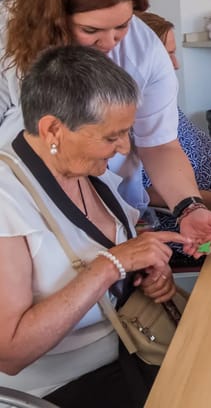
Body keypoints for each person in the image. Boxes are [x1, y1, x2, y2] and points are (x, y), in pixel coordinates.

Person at [0, 0, 211, 250]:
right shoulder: (9, 44)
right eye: (92, 31)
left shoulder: (144, 49)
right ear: (53, 21)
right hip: (27, 210)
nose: (110, 42)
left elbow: (159, 144)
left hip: (112, 211)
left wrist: (189, 207)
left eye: (122, 26)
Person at [0, 45, 190, 406]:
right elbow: (10, 353)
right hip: (64, 386)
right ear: (53, 129)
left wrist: (148, 269)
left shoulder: (86, 171)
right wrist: (111, 266)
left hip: (132, 348)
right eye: (110, 137)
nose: (122, 149)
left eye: (126, 133)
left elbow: (117, 246)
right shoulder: (6, 199)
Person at [137, 11, 211, 216]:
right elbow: (147, 193)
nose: (176, 64)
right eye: (168, 55)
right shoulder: (129, 119)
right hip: (201, 217)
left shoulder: (159, 100)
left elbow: (196, 147)